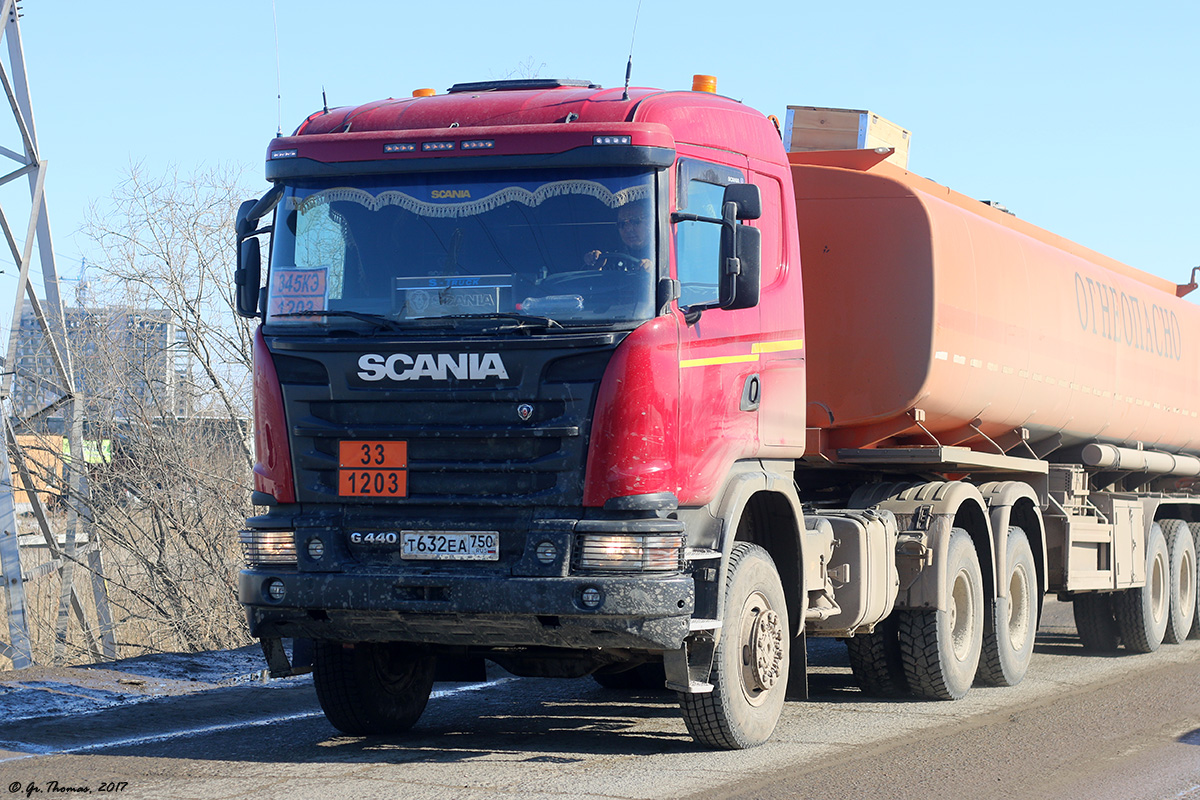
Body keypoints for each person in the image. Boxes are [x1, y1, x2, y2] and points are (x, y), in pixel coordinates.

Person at [584, 200, 653, 271]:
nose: (628, 229)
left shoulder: (662, 255)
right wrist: (596, 267)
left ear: (650, 223)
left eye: (635, 222)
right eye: (622, 224)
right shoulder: (612, 256)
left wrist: (653, 270)